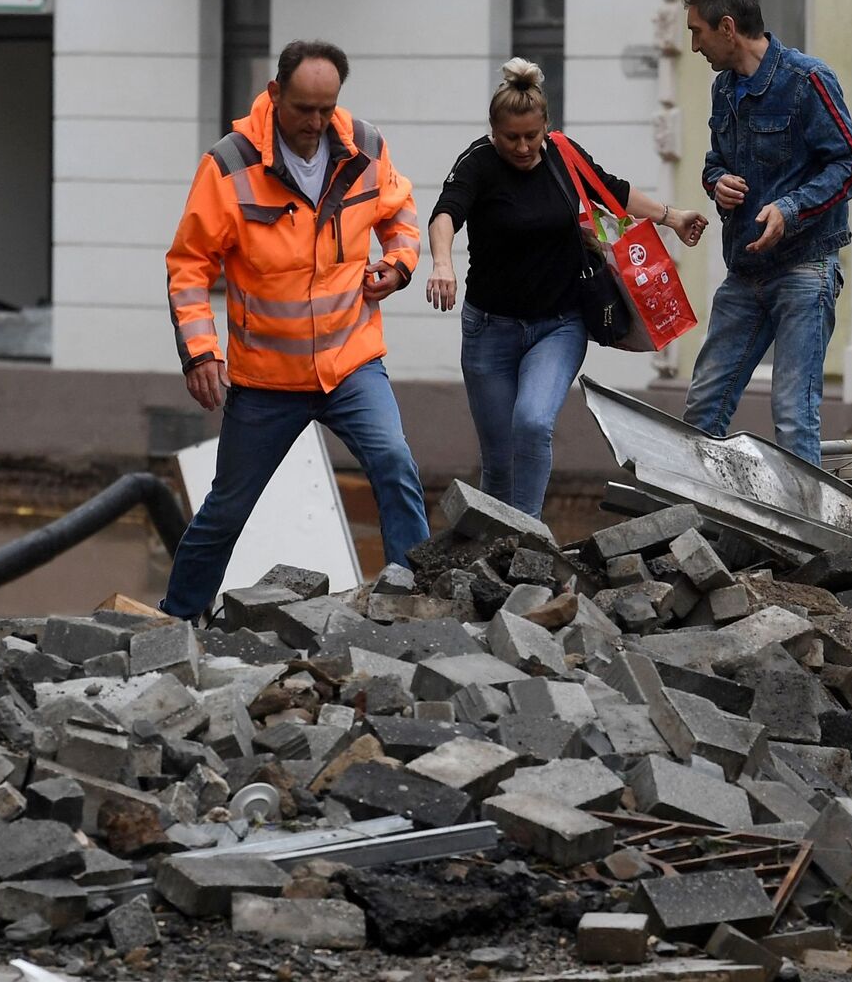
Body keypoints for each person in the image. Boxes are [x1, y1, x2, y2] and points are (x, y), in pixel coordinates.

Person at [162, 40, 430, 621]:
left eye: (325, 108)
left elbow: (400, 212)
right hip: (266, 380)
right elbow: (189, 266)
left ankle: (413, 601)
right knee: (227, 509)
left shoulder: (365, 147)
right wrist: (200, 352)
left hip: (350, 360)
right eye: (303, 108)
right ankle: (176, 619)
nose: (315, 123)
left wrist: (400, 264)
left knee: (394, 464)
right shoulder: (230, 166)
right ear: (275, 93)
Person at [425, 59, 707, 517]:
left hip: (559, 324)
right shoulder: (478, 163)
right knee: (497, 460)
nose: (521, 147)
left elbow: (610, 190)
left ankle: (527, 536)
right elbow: (446, 213)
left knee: (533, 423)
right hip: (489, 329)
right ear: (493, 131)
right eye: (510, 137)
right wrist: (441, 263)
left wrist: (672, 218)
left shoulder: (562, 153)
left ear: (545, 127)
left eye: (531, 136)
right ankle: (493, 556)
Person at [681, 0, 852, 464]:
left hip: (805, 270)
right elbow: (714, 162)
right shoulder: (724, 90)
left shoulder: (807, 80)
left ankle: (806, 536)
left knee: (793, 414)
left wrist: (791, 209)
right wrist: (716, 182)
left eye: (697, 31)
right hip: (744, 275)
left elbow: (851, 164)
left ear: (727, 28)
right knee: (702, 407)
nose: (693, 45)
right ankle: (692, 528)